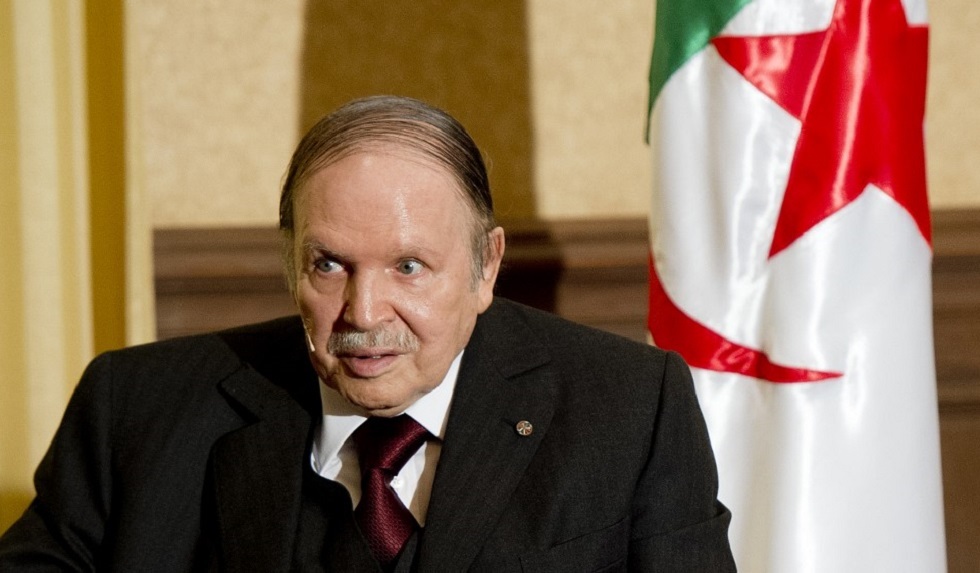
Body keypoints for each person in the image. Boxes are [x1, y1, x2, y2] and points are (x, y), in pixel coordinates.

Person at [0, 95, 734, 571]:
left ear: (485, 267)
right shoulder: (134, 409)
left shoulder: (628, 409)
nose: (364, 313)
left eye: (409, 267)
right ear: (289, 263)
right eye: (329, 265)